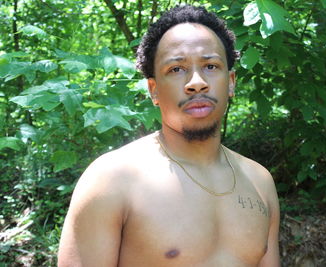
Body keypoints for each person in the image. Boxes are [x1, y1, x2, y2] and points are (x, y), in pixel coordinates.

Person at [58, 5, 280, 267]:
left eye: (210, 66)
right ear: (153, 90)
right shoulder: (113, 180)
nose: (196, 81)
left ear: (231, 81)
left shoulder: (259, 182)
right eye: (176, 69)